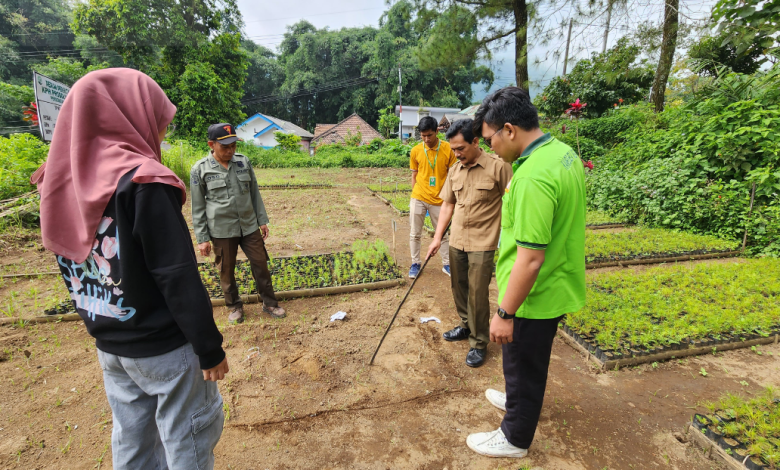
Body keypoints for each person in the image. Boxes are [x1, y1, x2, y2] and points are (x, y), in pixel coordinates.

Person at [31, 68, 228, 469]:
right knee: (188, 434)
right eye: (158, 123)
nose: (159, 134)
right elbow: (176, 274)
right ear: (126, 115)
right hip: (163, 347)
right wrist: (209, 349)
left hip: (111, 344)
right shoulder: (145, 182)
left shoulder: (59, 181)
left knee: (133, 439)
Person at [465, 87, 586, 458]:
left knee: (522, 361)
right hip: (558, 280)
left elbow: (530, 258)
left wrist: (504, 313)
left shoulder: (533, 176)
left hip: (534, 294)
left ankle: (515, 437)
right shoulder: (562, 154)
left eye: (490, 140)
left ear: (509, 129)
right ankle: (518, 399)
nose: (490, 148)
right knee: (529, 360)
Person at [426, 119, 512, 368]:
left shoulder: (499, 167)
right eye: (453, 149)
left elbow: (511, 204)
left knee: (477, 294)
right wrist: (437, 238)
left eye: (461, 148)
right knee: (459, 287)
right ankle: (466, 325)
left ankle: (478, 342)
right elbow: (448, 205)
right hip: (457, 241)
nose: (457, 154)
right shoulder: (455, 170)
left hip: (483, 243)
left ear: (475, 141)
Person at [191, 124, 285, 324]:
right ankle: (234, 306)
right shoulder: (200, 169)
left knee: (260, 263)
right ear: (211, 144)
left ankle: (270, 303)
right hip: (222, 230)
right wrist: (202, 238)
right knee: (226, 269)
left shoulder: (244, 162)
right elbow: (197, 206)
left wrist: (262, 221)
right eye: (225, 146)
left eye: (233, 145)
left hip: (249, 225)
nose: (231, 150)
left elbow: (254, 193)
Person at [409, 115, 457, 278]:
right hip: (419, 196)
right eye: (423, 136)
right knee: (415, 233)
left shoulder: (448, 149)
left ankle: (447, 264)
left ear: (437, 131)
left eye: (429, 135)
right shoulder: (416, 150)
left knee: (442, 233)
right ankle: (415, 263)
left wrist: (450, 198)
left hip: (440, 200)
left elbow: (452, 175)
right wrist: (414, 196)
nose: (426, 139)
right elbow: (414, 175)